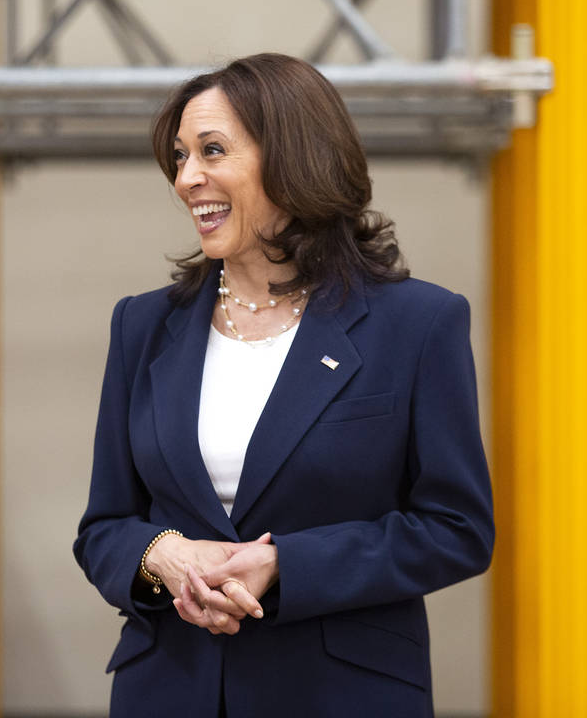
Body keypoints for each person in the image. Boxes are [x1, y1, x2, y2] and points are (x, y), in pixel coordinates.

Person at [73, 53, 494, 717]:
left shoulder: (418, 324)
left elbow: (456, 529)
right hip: (169, 691)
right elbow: (103, 529)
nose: (188, 178)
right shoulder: (142, 326)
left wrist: (287, 565)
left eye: (212, 150)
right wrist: (163, 555)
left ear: (294, 158)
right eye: (179, 157)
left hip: (342, 695)